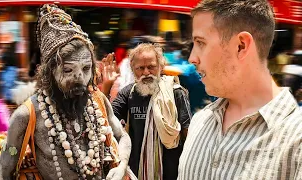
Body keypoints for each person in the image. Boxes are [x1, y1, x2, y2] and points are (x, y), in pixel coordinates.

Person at [0, 4, 131, 180]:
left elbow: (122, 137)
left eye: (86, 68)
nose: (79, 77)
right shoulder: (27, 114)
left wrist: (122, 165)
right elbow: (3, 170)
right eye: (68, 70)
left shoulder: (98, 101)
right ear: (50, 72)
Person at [178, 0, 302, 179]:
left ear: (241, 46)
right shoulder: (200, 122)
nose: (192, 58)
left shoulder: (295, 140)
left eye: (201, 43)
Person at [111, 43, 191, 180]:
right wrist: (106, 87)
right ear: (132, 69)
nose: (146, 72)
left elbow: (187, 134)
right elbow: (107, 119)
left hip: (171, 173)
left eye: (151, 67)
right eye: (140, 68)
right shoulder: (128, 94)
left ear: (160, 66)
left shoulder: (176, 93)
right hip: (136, 173)